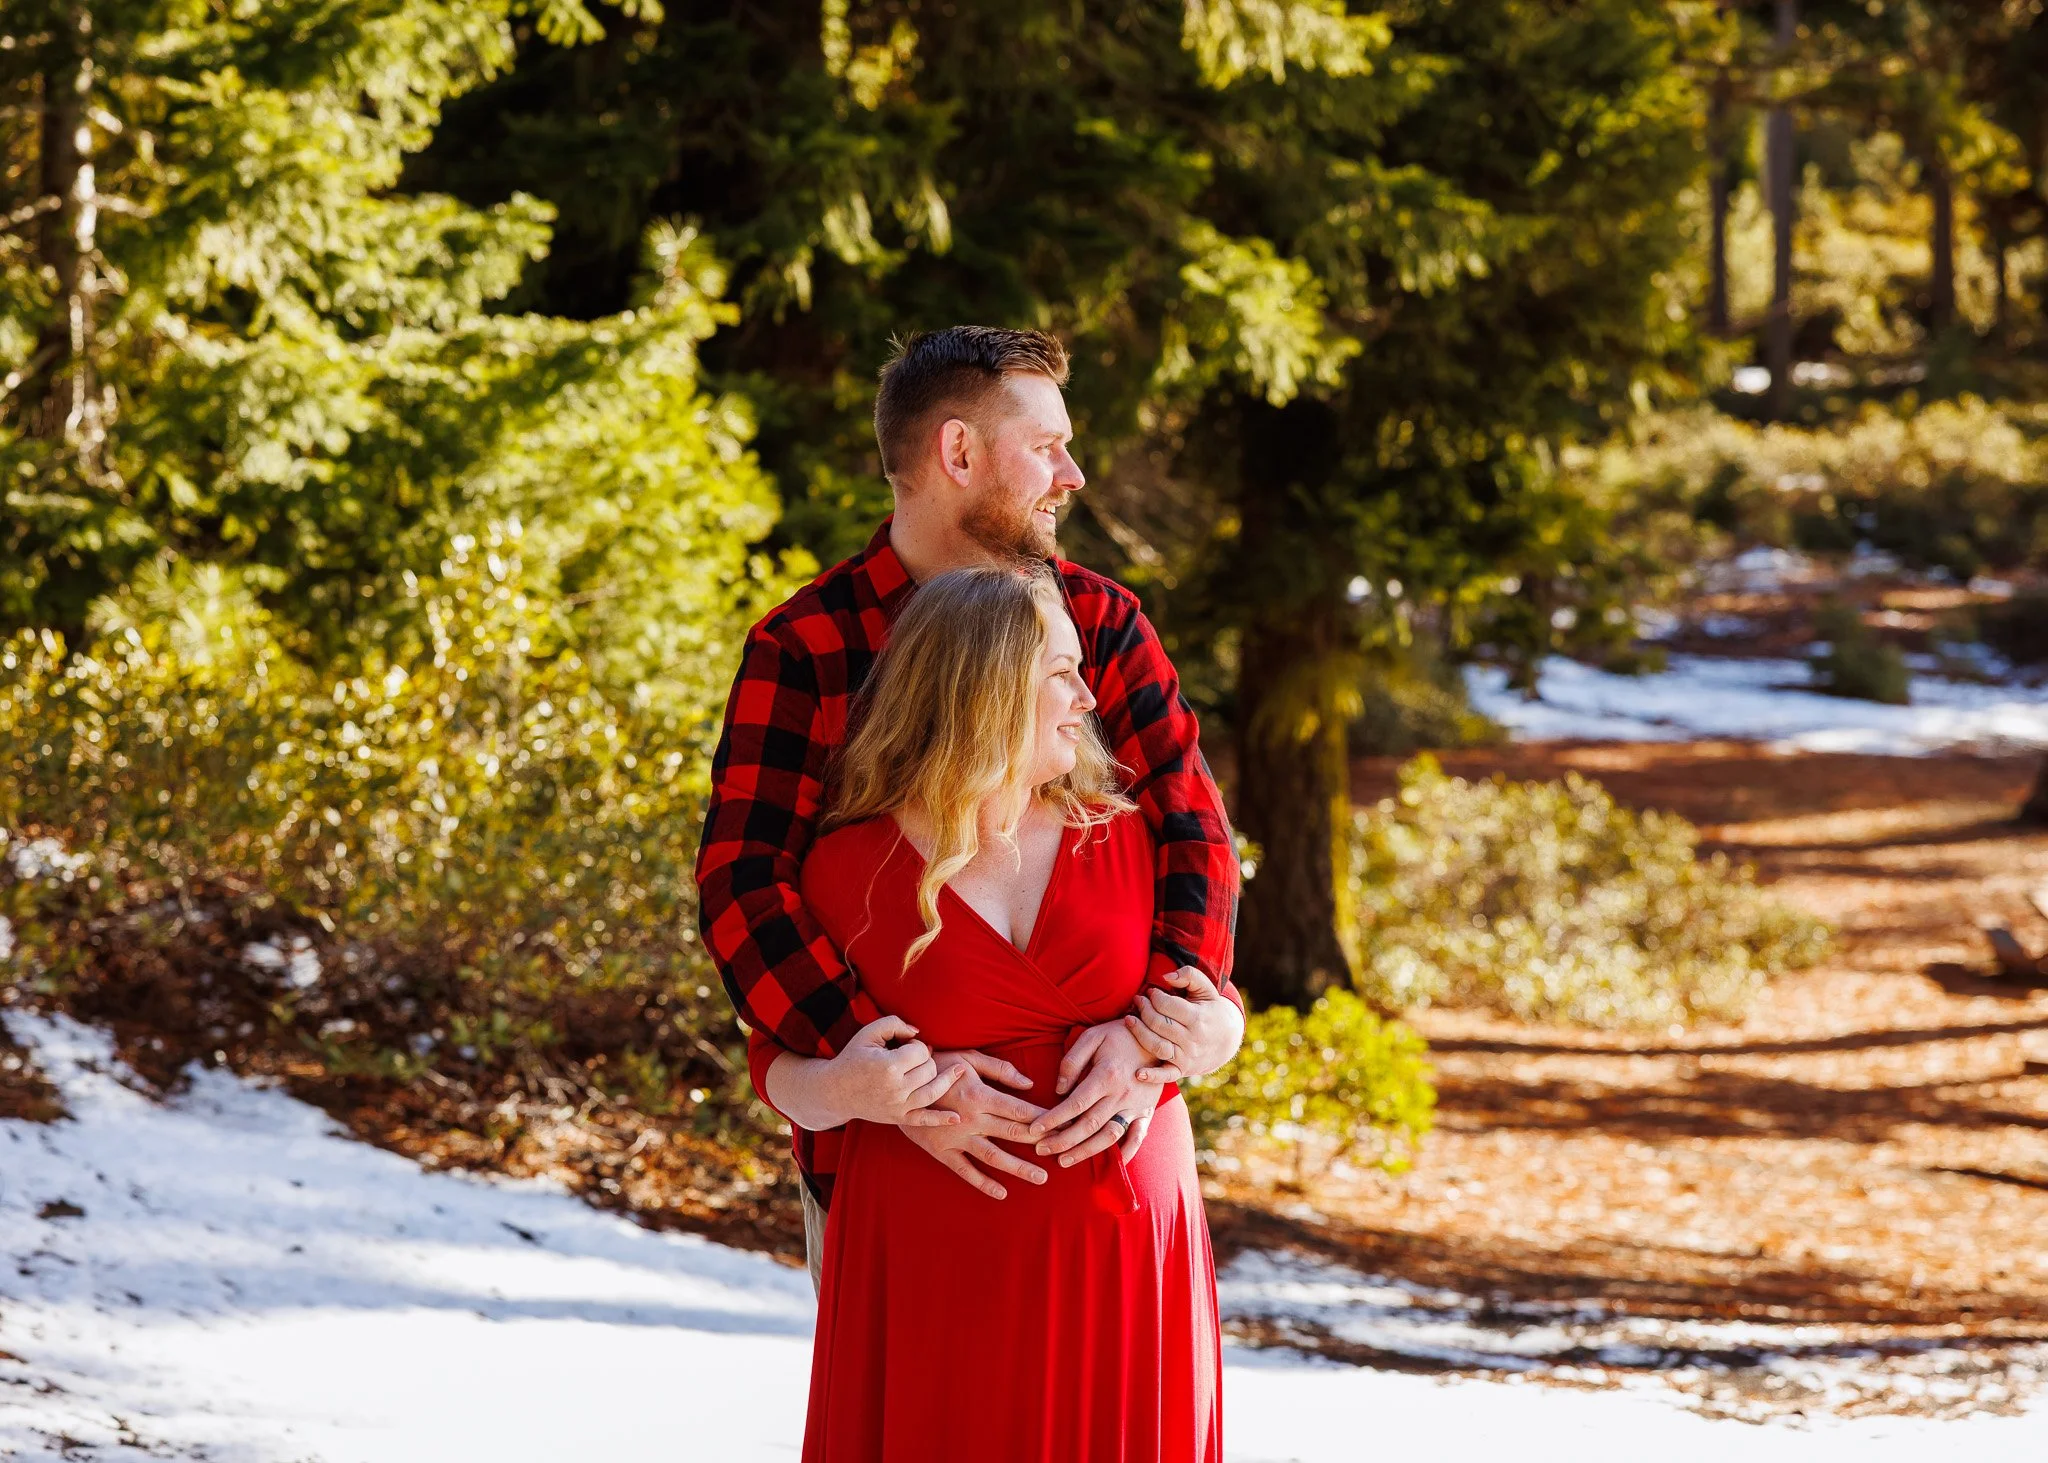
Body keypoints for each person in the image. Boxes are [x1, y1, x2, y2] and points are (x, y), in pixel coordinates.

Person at [695, 326, 1245, 1284]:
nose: (1071, 474)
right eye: (1046, 447)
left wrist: (1158, 1032)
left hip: (1110, 1181)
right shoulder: (810, 644)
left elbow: (1191, 830)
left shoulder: (1104, 625)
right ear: (958, 453)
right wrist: (894, 1073)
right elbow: (743, 884)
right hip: (890, 1166)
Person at [767, 562, 1237, 1460]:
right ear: (984, 684)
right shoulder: (846, 868)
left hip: (1129, 1268)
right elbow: (780, 1073)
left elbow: (1206, 1006)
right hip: (935, 1272)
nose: (1085, 695)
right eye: (1059, 670)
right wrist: (866, 1088)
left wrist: (1220, 1033)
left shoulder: (1132, 838)